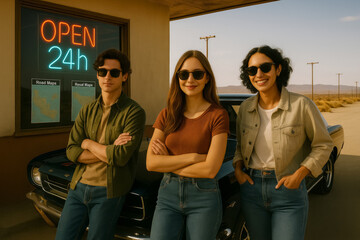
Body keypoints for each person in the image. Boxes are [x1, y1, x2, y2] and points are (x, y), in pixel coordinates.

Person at [233, 45, 333, 240]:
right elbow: (240, 145)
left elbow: (323, 144)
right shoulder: (245, 108)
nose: (259, 74)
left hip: (288, 191)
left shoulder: (301, 105)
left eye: (265, 67)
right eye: (252, 70)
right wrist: (238, 168)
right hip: (251, 189)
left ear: (278, 69)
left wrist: (300, 174)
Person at [55, 49, 146, 240]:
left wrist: (87, 143)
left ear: (124, 76)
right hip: (78, 187)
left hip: (108, 192)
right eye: (102, 72)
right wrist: (110, 148)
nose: (107, 77)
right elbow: (71, 151)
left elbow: (120, 158)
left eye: (114, 72)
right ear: (97, 75)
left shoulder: (134, 112)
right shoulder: (87, 110)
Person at [146, 50, 229, 240]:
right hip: (168, 194)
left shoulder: (217, 115)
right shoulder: (167, 114)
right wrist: (193, 158)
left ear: (207, 78)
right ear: (177, 78)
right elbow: (151, 163)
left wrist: (168, 161)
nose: (190, 79)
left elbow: (210, 169)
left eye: (197, 74)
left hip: (204, 196)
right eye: (184, 74)